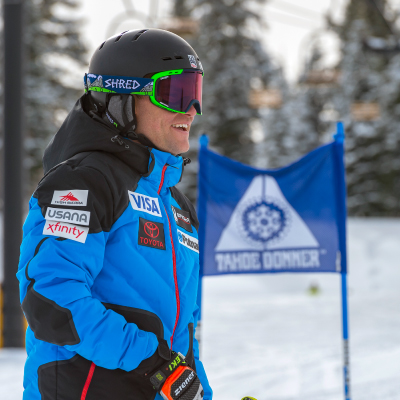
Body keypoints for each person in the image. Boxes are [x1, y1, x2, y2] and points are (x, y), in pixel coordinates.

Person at [17, 28, 212, 400]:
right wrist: (153, 364)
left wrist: (195, 390)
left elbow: (185, 331)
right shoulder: (83, 181)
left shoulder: (178, 207)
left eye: (195, 93)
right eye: (174, 93)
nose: (190, 109)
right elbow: (51, 295)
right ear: (121, 99)